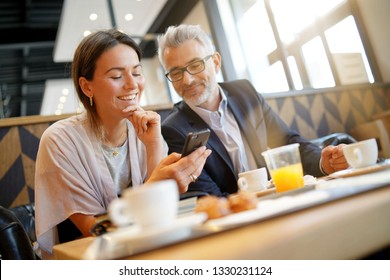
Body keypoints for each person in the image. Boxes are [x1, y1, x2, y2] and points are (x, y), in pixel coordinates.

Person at [34, 29, 211, 259]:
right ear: (87, 87)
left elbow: (157, 218)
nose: (132, 85)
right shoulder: (59, 141)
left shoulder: (145, 128)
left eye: (137, 73)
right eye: (117, 76)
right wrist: (155, 186)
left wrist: (154, 144)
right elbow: (97, 231)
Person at [157, 24, 348, 196]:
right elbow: (208, 197)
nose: (187, 80)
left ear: (215, 62)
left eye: (196, 65)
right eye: (175, 72)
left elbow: (287, 141)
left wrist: (324, 163)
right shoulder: (174, 130)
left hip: (282, 197)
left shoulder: (244, 92)